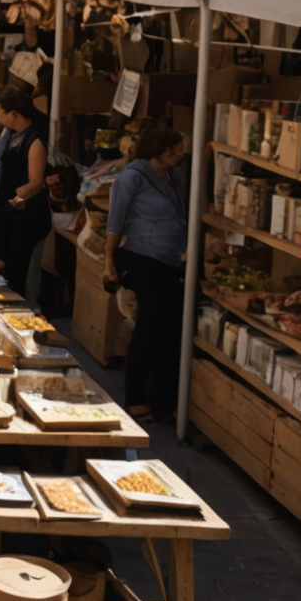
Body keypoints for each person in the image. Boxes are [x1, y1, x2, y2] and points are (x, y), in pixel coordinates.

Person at [103, 127, 190, 422]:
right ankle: (135, 398)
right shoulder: (132, 176)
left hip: (172, 261)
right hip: (142, 258)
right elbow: (115, 222)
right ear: (157, 148)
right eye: (173, 150)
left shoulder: (173, 176)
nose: (179, 155)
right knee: (150, 323)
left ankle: (162, 398)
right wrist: (108, 261)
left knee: (170, 329)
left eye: (180, 150)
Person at [0, 84, 51, 299]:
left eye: (0, 113)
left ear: (13, 114)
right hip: (7, 214)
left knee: (15, 270)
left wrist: (17, 197)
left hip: (26, 217)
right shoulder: (10, 135)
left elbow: (35, 182)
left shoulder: (35, 142)